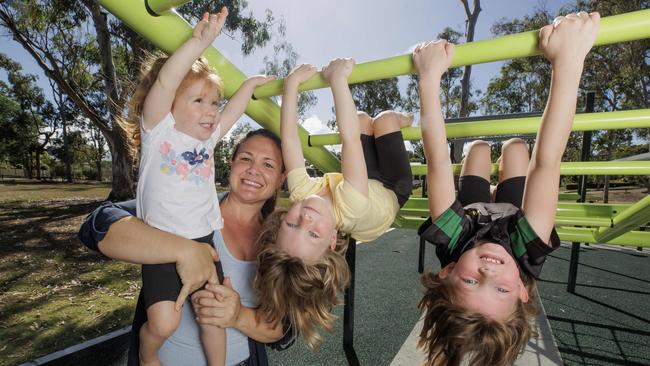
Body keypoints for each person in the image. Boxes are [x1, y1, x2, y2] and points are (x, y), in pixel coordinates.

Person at [413, 12, 600, 366]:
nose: (489, 273)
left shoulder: (452, 243)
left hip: (474, 214)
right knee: (516, 148)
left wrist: (428, 77)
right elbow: (547, 163)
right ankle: (502, 180)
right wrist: (569, 60)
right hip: (515, 217)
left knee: (479, 148)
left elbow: (437, 160)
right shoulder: (528, 251)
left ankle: (487, 173)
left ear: (448, 271)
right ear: (520, 291)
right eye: (500, 289)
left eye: (469, 283)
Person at [118, 6, 276, 365]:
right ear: (172, 106)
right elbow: (164, 83)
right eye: (199, 101)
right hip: (161, 243)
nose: (211, 111)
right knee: (163, 320)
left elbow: (232, 114)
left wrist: (249, 87)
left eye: (214, 102)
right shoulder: (159, 132)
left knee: (213, 317)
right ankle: (148, 352)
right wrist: (198, 43)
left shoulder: (205, 143)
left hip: (204, 243)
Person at [78, 129, 294, 366]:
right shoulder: (185, 207)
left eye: (268, 165)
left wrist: (238, 315)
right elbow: (97, 223)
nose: (254, 170)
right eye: (246, 158)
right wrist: (183, 250)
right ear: (231, 164)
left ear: (281, 179)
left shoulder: (281, 240)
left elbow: (278, 329)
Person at [252, 60, 414, 349]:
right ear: (330, 239)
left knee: (362, 117)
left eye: (292, 224)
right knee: (386, 119)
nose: (306, 219)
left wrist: (291, 86)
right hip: (390, 187)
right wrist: (337, 79)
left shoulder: (301, 193)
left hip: (363, 181)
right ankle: (406, 119)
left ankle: (380, 125)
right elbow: (348, 140)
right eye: (312, 233)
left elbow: (289, 139)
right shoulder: (348, 207)